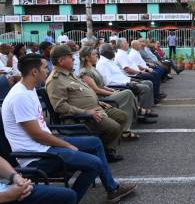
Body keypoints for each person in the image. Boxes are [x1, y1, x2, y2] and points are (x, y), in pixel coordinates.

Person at [1, 54, 136, 203]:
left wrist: (61, 142)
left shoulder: (29, 89)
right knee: (94, 164)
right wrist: (66, 145)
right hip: (37, 157)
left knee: (95, 142)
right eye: (45, 68)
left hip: (45, 146)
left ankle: (112, 189)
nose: (48, 70)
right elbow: (37, 135)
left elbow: (40, 131)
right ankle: (71, 199)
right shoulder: (19, 96)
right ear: (34, 72)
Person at [45, 45, 128, 162]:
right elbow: (60, 107)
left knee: (122, 116)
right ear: (61, 61)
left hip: (96, 108)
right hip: (81, 117)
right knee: (114, 127)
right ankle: (105, 152)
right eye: (71, 57)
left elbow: (83, 92)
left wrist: (99, 102)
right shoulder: (55, 80)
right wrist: (86, 112)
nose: (74, 60)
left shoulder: (70, 74)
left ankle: (105, 148)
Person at [79, 46, 140, 140]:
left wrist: (112, 90)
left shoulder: (92, 68)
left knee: (126, 93)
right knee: (127, 93)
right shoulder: (85, 72)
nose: (96, 56)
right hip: (100, 99)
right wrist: (111, 94)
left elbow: (102, 86)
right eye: (94, 54)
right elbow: (96, 90)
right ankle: (126, 129)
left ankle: (134, 116)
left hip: (103, 94)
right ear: (87, 57)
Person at [96, 43, 158, 122]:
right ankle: (142, 116)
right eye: (112, 50)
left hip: (127, 81)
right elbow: (108, 82)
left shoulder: (110, 61)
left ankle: (145, 110)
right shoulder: (102, 64)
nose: (114, 51)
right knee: (145, 88)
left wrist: (131, 80)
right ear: (106, 52)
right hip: (119, 86)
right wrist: (127, 83)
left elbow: (119, 76)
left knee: (148, 82)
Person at [0, 156, 77, 204]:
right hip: (6, 196)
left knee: (67, 196)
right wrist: (8, 195)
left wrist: (16, 178)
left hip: (8, 191)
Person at [116, 39, 164, 104]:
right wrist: (140, 72)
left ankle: (156, 95)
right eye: (126, 43)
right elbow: (127, 70)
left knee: (156, 72)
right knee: (153, 76)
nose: (128, 44)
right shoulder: (121, 55)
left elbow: (136, 65)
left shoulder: (126, 53)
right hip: (132, 75)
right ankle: (155, 97)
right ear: (122, 45)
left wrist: (144, 69)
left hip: (136, 72)